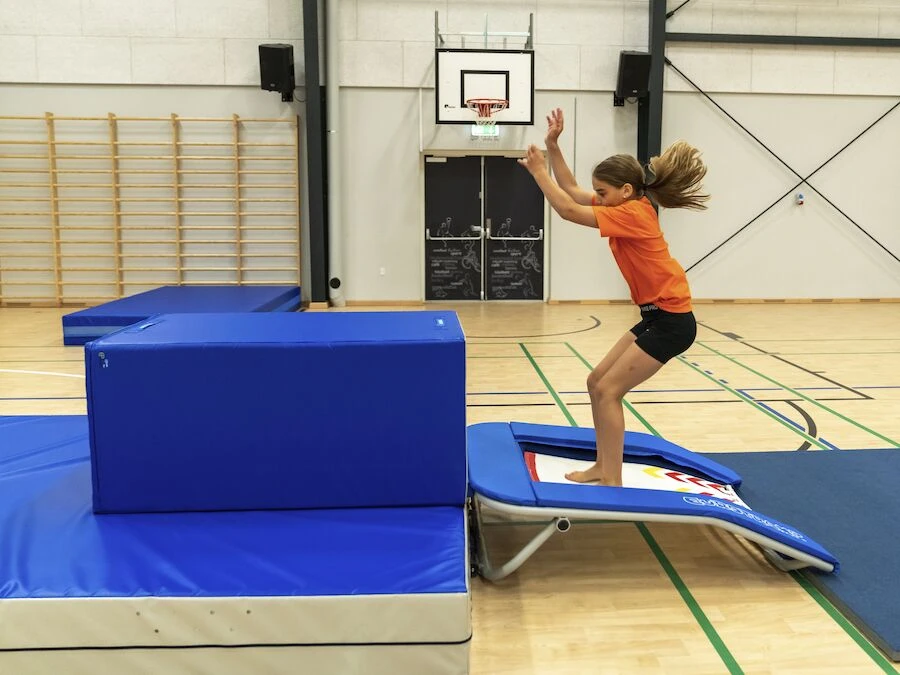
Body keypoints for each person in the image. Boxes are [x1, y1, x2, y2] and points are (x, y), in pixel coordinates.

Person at [517, 107, 709, 487]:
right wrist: (553, 146)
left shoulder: (633, 213)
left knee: (608, 391)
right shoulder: (623, 206)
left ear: (625, 191)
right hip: (655, 317)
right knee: (596, 383)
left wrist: (539, 172)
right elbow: (573, 191)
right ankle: (603, 466)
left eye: (603, 193)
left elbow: (567, 209)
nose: (599, 199)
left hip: (672, 322)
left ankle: (612, 481)